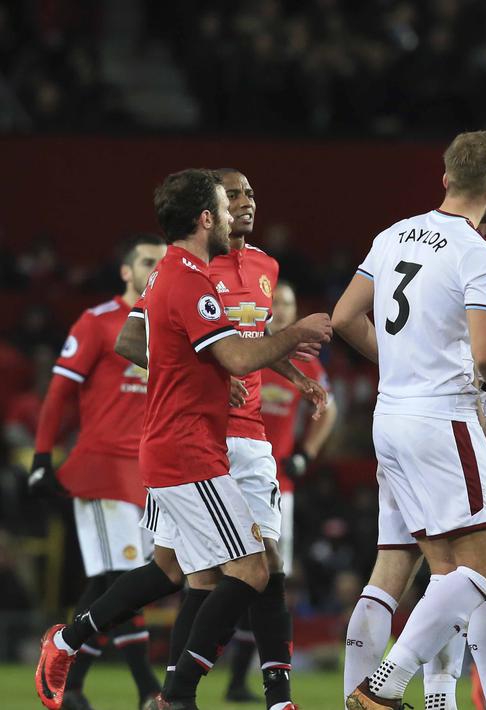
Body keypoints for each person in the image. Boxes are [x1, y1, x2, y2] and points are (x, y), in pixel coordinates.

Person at [34, 168, 332, 710]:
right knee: (253, 569)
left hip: (200, 440)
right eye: (228, 199)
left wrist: (286, 373)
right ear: (206, 217)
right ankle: (187, 693)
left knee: (175, 570)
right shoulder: (191, 277)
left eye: (248, 195)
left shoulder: (222, 268)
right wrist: (298, 332)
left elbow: (241, 342)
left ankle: (73, 642)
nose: (240, 207)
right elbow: (232, 354)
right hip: (189, 445)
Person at [334, 131, 486, 710]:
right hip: (444, 420)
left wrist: (402, 360)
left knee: (414, 567)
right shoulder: (476, 250)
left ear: (445, 178)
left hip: (391, 416)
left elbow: (344, 317)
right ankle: (383, 687)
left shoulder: (392, 234)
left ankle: (407, 696)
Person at [28, 234, 168, 710]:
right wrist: (42, 457)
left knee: (111, 583)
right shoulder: (97, 322)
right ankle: (149, 689)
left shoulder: (167, 325)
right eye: (148, 261)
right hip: (102, 469)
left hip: (150, 472)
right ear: (127, 272)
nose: (156, 269)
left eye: (163, 263)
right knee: (124, 576)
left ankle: (70, 680)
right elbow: (58, 391)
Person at [223, 279, 339, 699]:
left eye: (290, 303)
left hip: (278, 484)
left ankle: (240, 678)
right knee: (220, 575)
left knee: (269, 577)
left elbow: (329, 408)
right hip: (227, 467)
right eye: (278, 303)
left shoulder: (305, 364)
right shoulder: (245, 349)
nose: (284, 310)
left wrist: (306, 452)